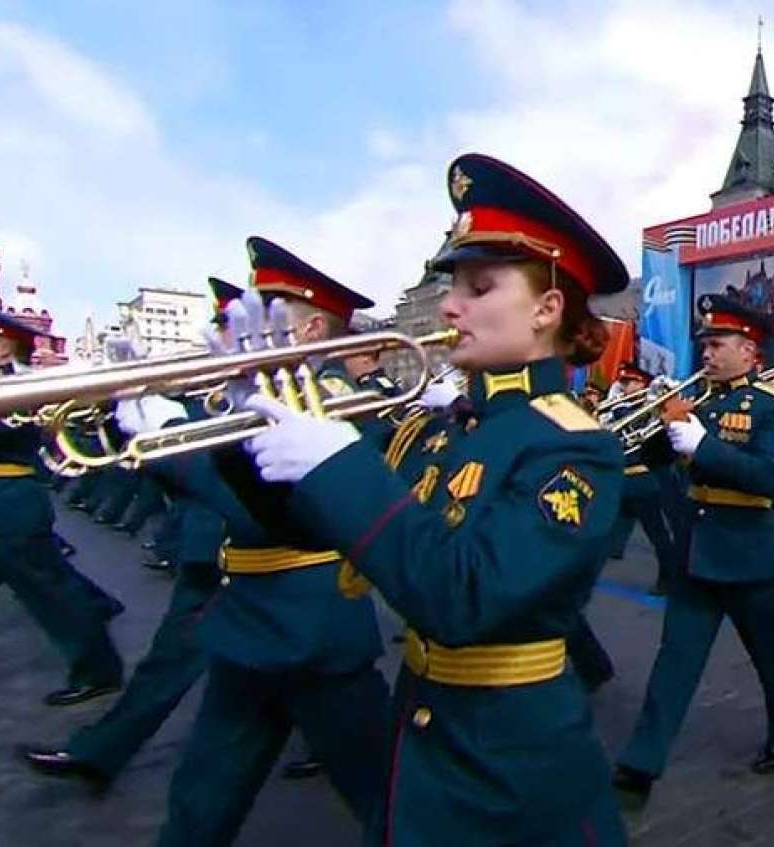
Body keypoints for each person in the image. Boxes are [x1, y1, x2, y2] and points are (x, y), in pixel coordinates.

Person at [235, 154, 630, 844]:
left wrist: (340, 463)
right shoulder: (443, 427)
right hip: (421, 728)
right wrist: (245, 423)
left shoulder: (574, 446)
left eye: (479, 287)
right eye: (453, 285)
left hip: (510, 768)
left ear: (546, 308)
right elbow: (294, 525)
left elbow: (461, 597)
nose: (450, 305)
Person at [143, 239, 392, 846]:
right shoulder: (259, 393)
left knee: (389, 801)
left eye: (265, 305)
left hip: (312, 621)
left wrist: (167, 437)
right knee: (201, 797)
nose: (241, 319)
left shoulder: (336, 402)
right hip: (249, 617)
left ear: (308, 326)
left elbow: (262, 514)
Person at [20, 277, 248, 785]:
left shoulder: (284, 390)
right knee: (172, 666)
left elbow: (234, 480)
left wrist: (165, 433)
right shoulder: (211, 390)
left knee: (326, 707)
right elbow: (158, 471)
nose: (218, 336)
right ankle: (100, 752)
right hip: (213, 553)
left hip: (265, 561)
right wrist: (133, 410)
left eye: (228, 326)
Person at [613, 293, 774, 807]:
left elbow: (772, 480)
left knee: (773, 660)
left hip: (749, 555)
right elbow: (651, 455)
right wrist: (640, 432)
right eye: (705, 344)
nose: (707, 355)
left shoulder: (773, 404)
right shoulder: (701, 399)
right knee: (674, 660)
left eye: (718, 344)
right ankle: (642, 761)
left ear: (749, 349)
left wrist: (704, 446)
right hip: (697, 553)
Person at [0, 303, 124, 707]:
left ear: (3, 350)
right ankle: (98, 623)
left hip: (7, 512)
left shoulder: (22, 393)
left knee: (55, 599)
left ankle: (99, 671)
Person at [604, 361, 683, 594]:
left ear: (642, 384)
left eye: (630, 382)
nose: (625, 387)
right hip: (620, 477)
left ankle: (669, 575)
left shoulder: (650, 409)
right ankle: (610, 550)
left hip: (642, 477)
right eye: (624, 382)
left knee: (657, 532)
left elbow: (660, 443)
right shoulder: (617, 408)